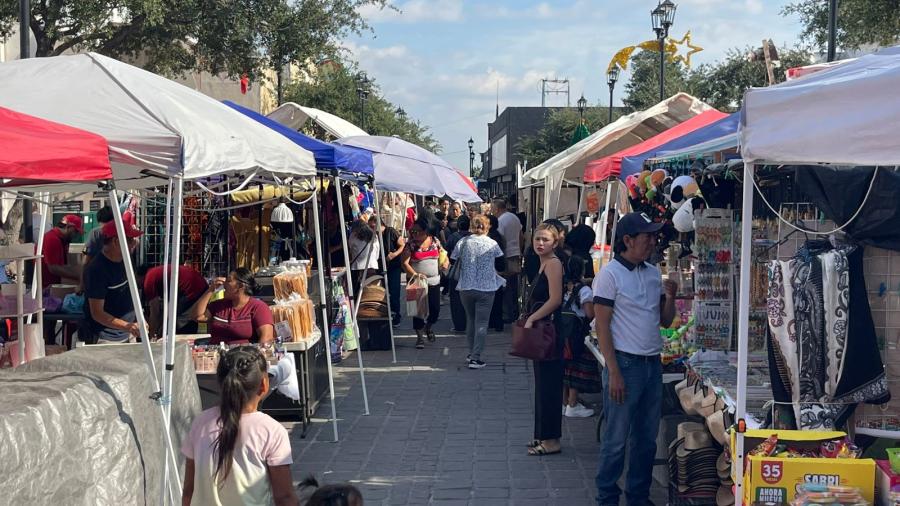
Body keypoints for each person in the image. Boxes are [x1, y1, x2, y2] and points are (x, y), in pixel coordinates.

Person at [593, 212, 677, 506]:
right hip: (625, 365)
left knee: (646, 439)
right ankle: (607, 497)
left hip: (652, 364)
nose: (653, 242)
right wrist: (613, 371)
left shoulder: (653, 273)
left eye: (654, 236)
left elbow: (664, 321)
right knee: (616, 440)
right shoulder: (609, 275)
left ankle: (638, 496)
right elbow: (601, 326)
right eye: (647, 237)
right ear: (627, 240)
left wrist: (671, 298)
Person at [181, 346, 299, 506]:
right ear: (264, 384)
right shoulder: (271, 431)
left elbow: (189, 491)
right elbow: (284, 497)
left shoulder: (200, 423)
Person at [524, 224, 565, 456]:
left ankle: (551, 439)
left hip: (550, 330)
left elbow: (555, 299)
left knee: (549, 385)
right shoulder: (543, 263)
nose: (540, 243)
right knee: (541, 384)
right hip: (542, 329)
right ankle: (542, 434)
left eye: (545, 240)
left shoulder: (554, 264)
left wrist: (532, 318)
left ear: (555, 243)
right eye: (537, 239)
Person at [452, 215, 506, 369]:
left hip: (466, 287)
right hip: (486, 287)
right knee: (481, 323)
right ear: (487, 226)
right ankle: (476, 357)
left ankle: (471, 353)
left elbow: (453, 259)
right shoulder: (492, 243)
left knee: (470, 320)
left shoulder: (462, 242)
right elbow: (501, 265)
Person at [82, 212, 142, 344]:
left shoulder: (126, 259)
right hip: (106, 338)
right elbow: (97, 313)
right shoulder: (97, 270)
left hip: (128, 333)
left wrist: (139, 319)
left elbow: (132, 292)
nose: (134, 244)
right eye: (131, 240)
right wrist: (127, 326)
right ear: (116, 241)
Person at [192, 268, 275, 346]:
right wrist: (210, 290)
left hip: (243, 357)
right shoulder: (218, 305)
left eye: (228, 281)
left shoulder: (258, 307)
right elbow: (198, 317)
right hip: (216, 355)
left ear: (240, 286)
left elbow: (266, 338)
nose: (224, 285)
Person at [401, 215, 448, 349]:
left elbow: (444, 254)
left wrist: (445, 262)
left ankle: (428, 327)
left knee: (435, 310)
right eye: (412, 231)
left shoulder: (435, 241)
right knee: (418, 311)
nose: (414, 234)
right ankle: (420, 337)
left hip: (434, 281)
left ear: (426, 231)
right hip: (417, 281)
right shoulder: (410, 245)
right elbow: (404, 263)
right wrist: (416, 274)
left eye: (417, 231)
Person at [561, 256, 600, 418]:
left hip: (564, 333)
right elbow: (590, 314)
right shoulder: (584, 291)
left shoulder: (563, 287)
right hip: (578, 334)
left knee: (565, 369)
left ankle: (565, 403)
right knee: (576, 370)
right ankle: (573, 404)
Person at [137, 264, 209, 337]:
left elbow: (155, 311)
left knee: (180, 322)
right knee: (185, 318)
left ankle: (182, 342)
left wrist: (150, 335)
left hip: (191, 289)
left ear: (138, 277)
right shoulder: (156, 273)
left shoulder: (148, 281)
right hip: (199, 285)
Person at [491, 198, 522, 323]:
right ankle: (514, 311)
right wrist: (520, 250)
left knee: (505, 286)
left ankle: (507, 314)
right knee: (514, 286)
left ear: (497, 209)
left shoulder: (501, 220)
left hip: (506, 255)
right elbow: (521, 235)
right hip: (515, 253)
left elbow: (501, 239)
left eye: (493, 210)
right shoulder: (514, 217)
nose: (493, 212)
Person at [40, 214, 83, 288]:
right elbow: (53, 268)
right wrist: (79, 275)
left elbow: (63, 264)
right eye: (75, 231)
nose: (76, 235)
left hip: (54, 284)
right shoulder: (52, 239)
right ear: (69, 227)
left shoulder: (64, 239)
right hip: (46, 286)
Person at [445, 215, 472, 333]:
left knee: (456, 300)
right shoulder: (474, 237)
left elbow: (448, 254)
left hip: (457, 271)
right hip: (471, 272)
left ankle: (459, 325)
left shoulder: (453, 237)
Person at [382, 226, 407, 327]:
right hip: (381, 266)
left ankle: (396, 316)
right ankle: (386, 315)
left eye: (372, 226)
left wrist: (394, 254)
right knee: (382, 292)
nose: (371, 228)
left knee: (394, 291)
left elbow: (402, 244)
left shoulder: (390, 231)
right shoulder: (374, 235)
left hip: (393, 266)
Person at [347, 219, 380, 294]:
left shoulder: (353, 236)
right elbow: (377, 252)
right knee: (372, 290)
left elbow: (351, 249)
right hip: (372, 266)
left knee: (359, 292)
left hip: (358, 267)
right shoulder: (374, 235)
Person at [487, 215, 507, 332]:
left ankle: (495, 322)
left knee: (494, 298)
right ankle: (496, 322)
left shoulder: (492, 239)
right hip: (497, 271)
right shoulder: (499, 236)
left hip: (493, 271)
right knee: (497, 298)